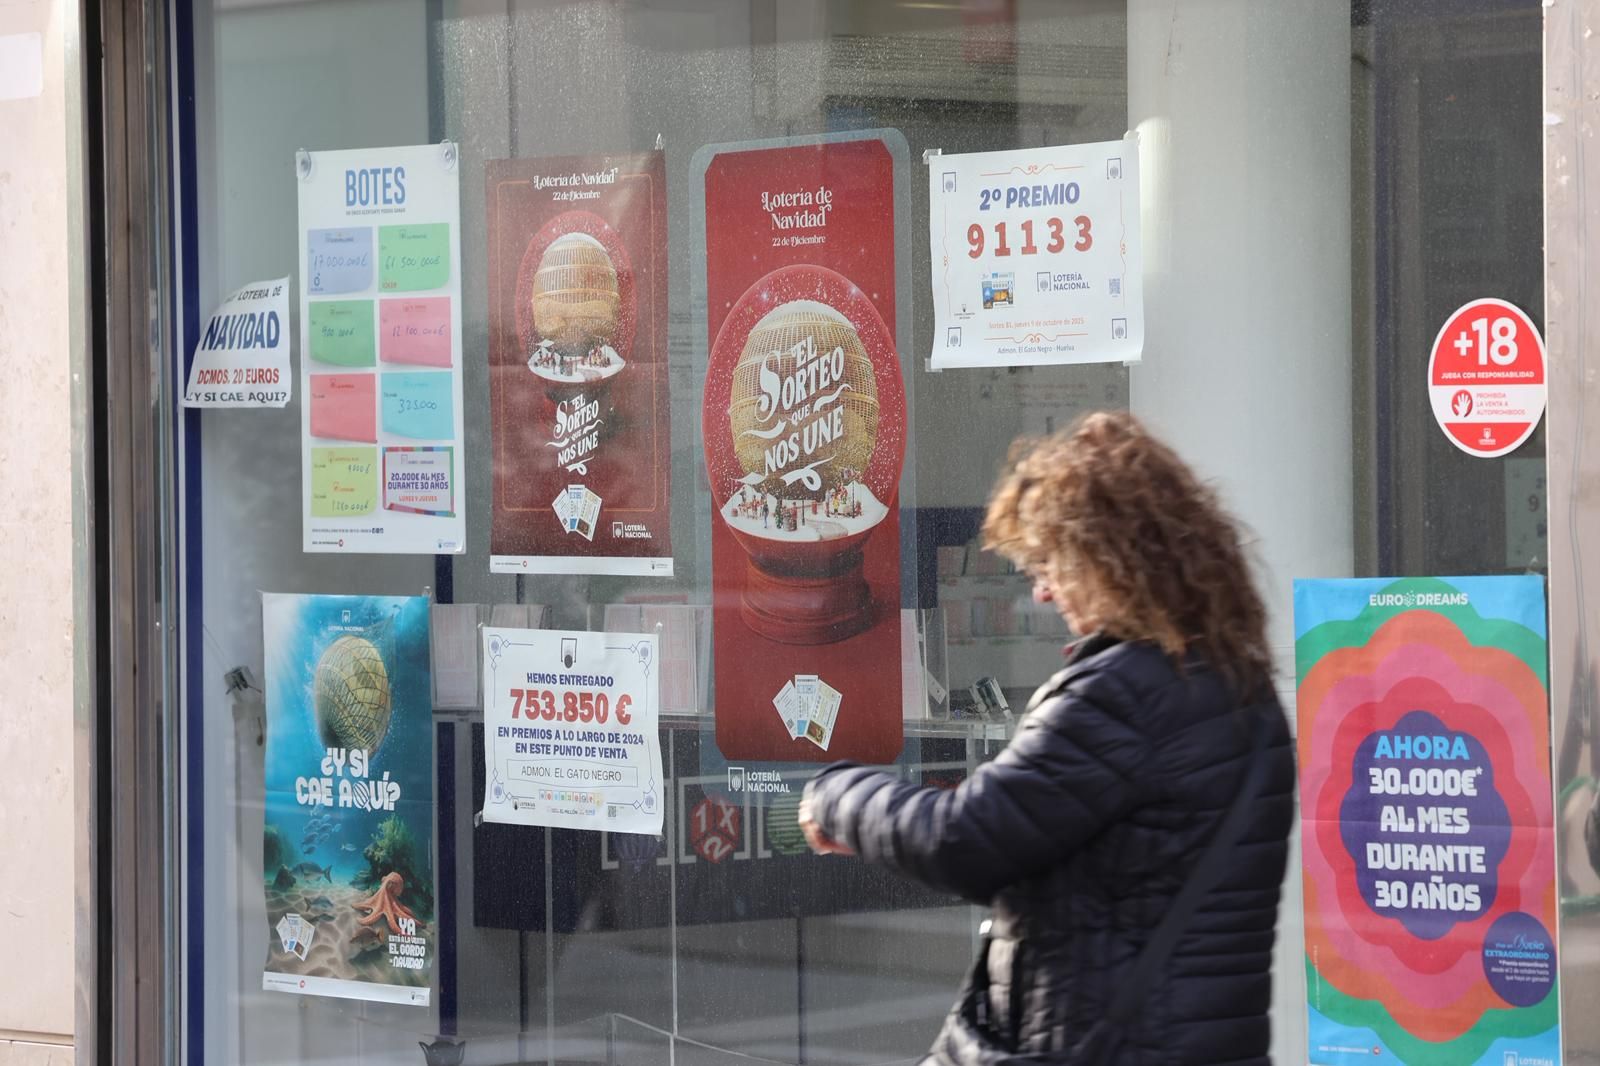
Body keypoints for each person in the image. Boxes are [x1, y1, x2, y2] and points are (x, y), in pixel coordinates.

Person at [798, 411, 1295, 1065]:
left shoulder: (1122, 695)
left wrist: (837, 795)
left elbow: (964, 840)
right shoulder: (1239, 687)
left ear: (1108, 562)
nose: (1041, 592)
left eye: (1050, 566)